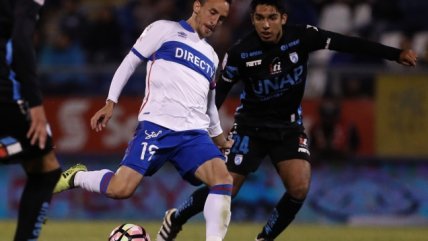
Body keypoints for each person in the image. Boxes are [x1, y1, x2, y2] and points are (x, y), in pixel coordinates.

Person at [157, 0, 418, 241]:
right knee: (227, 188)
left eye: (272, 17)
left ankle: (264, 239)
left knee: (299, 186)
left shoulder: (302, 37)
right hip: (250, 127)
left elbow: (347, 43)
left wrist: (395, 54)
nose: (266, 25)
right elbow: (218, 94)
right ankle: (176, 217)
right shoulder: (240, 52)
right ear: (252, 19)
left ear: (283, 18)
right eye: (259, 18)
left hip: (288, 126)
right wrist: (197, 131)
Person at [53, 1, 234, 241]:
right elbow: (130, 62)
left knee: (223, 180)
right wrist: (111, 100)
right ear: (197, 6)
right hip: (156, 127)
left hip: (193, 133)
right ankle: (77, 176)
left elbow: (210, 105)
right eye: (213, 12)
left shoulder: (211, 56)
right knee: (121, 189)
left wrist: (220, 139)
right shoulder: (164, 29)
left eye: (222, 18)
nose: (215, 21)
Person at [0, 0, 62, 240]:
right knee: (46, 170)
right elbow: (21, 41)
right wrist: (35, 102)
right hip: (7, 89)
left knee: (40, 164)